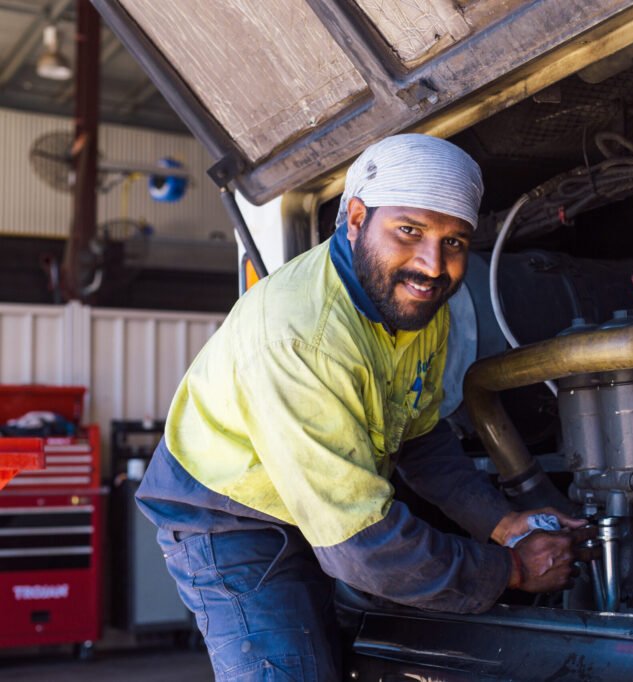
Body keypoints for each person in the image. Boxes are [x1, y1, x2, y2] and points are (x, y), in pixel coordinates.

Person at [136, 134, 595, 680]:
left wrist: (501, 521)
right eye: (410, 231)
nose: (432, 265)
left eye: (454, 242)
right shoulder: (303, 338)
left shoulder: (415, 305)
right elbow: (361, 549)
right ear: (355, 218)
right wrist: (512, 569)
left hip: (319, 509)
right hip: (229, 521)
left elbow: (421, 439)